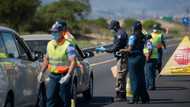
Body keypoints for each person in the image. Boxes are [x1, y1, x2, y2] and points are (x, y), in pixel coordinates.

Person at [38, 21, 77, 107]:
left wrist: (68, 75)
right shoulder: (49, 44)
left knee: (64, 99)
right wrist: (42, 72)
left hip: (64, 75)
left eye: (56, 32)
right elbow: (46, 59)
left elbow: (73, 61)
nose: (53, 34)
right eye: (52, 32)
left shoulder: (68, 45)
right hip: (53, 76)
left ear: (62, 32)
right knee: (50, 98)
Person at [120, 21, 150, 104]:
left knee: (134, 79)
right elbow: (147, 45)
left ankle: (135, 98)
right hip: (141, 58)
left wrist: (122, 50)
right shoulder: (144, 36)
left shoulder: (133, 37)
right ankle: (145, 98)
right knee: (141, 78)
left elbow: (129, 49)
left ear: (134, 28)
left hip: (133, 59)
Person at [104, 20, 128, 101]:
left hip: (122, 57)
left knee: (120, 76)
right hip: (120, 57)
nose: (111, 30)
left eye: (112, 28)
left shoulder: (120, 34)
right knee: (119, 75)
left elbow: (116, 46)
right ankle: (120, 94)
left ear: (115, 27)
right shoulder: (119, 33)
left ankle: (121, 95)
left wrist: (106, 50)